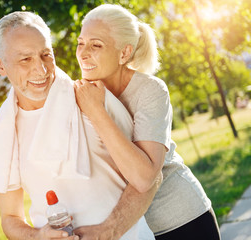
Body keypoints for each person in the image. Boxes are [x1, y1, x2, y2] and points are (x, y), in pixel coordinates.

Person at [0, 11, 158, 240]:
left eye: (46, 55)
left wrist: (109, 231)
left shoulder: (95, 100)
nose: (41, 70)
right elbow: (10, 217)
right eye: (25, 59)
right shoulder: (2, 133)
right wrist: (37, 236)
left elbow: (148, 179)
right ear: (1, 65)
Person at [73, 4, 221, 240]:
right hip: (136, 231)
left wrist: (96, 111)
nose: (83, 53)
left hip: (181, 221)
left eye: (96, 45)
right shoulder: (81, 92)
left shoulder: (150, 90)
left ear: (124, 53)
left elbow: (144, 177)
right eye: (81, 43)